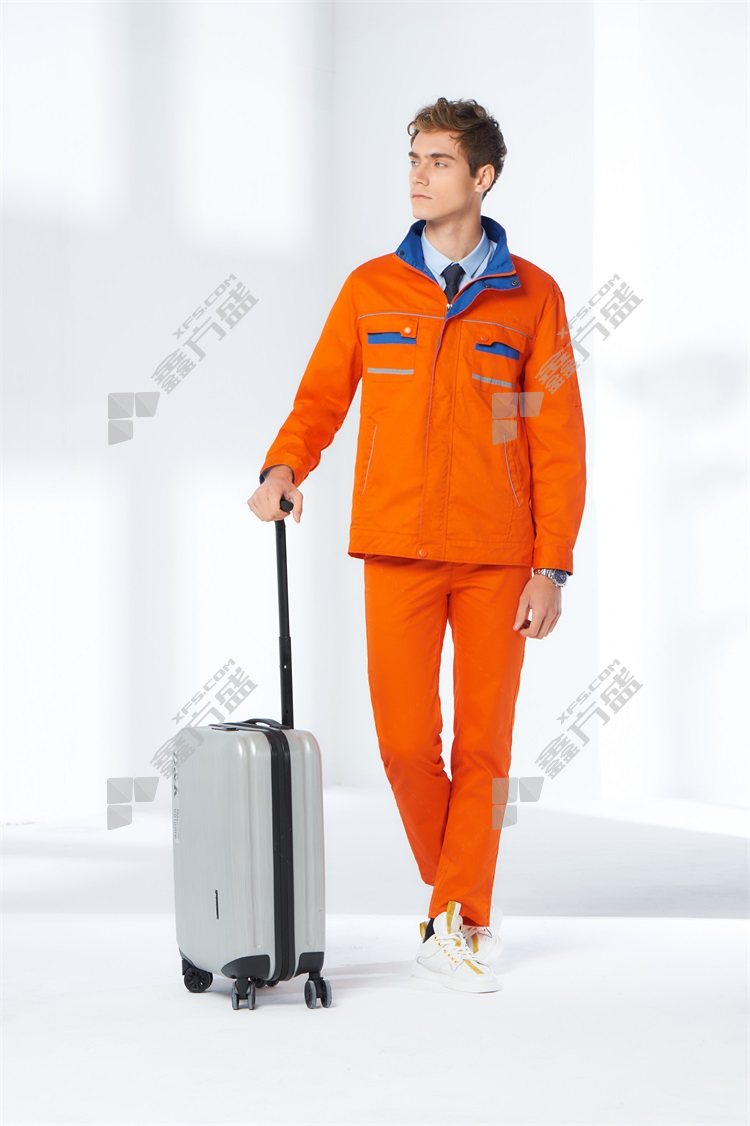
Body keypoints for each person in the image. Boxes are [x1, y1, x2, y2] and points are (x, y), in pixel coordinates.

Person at [247, 96, 586, 995]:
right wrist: (284, 467)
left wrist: (552, 565)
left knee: (484, 748)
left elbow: (556, 439)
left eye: (438, 161)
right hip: (396, 546)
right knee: (404, 744)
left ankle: (455, 921)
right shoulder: (371, 289)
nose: (418, 177)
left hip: (498, 553)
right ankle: (457, 905)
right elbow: (322, 398)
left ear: (483, 177)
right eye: (413, 159)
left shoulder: (534, 297)